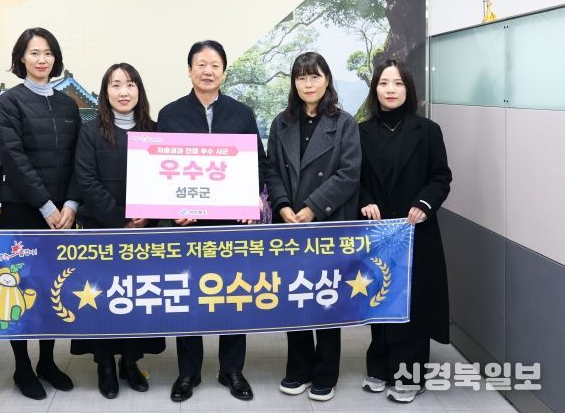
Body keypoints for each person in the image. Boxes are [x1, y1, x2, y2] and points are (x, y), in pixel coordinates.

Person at [157, 40, 267, 402]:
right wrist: (173, 206)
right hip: (187, 225)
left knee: (233, 293)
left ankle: (231, 370)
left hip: (231, 223)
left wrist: (250, 198)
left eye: (215, 65)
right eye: (201, 64)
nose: (208, 71)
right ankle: (188, 372)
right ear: (189, 70)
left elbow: (258, 163)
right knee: (189, 295)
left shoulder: (241, 113)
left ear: (224, 71)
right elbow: (159, 169)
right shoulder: (170, 114)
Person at [266, 52, 361, 402]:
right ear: (294, 83)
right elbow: (272, 169)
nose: (308, 84)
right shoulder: (281, 123)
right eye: (301, 77)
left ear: (327, 80)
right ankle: (298, 368)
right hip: (290, 224)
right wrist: (283, 205)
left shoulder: (344, 123)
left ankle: (325, 373)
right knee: (296, 297)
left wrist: (313, 208)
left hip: (328, 223)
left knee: (326, 297)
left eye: (315, 76)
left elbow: (349, 173)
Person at [0, 27, 81, 400]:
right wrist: (45, 206)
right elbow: (14, 158)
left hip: (63, 214)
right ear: (21, 59)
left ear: (55, 58)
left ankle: (47, 361)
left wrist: (71, 204)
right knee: (16, 287)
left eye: (47, 53)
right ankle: (22, 366)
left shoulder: (68, 105)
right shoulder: (9, 103)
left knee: (50, 287)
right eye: (34, 53)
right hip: (23, 210)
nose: (41, 59)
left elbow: (79, 160)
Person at [70, 62, 166, 399]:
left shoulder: (155, 130)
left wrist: (146, 215)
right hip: (101, 229)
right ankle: (105, 364)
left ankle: (131, 361)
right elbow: (86, 179)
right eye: (115, 85)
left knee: (136, 298)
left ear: (139, 90)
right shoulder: (90, 131)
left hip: (143, 232)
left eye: (130, 84)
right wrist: (120, 218)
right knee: (102, 298)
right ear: (105, 92)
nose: (123, 92)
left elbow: (165, 180)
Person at [358, 59, 452, 403]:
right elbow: (355, 179)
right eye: (384, 83)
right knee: (380, 298)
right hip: (379, 232)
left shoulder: (427, 130)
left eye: (398, 83)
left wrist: (424, 204)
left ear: (408, 89)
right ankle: (379, 367)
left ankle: (409, 376)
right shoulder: (360, 132)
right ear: (375, 89)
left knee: (413, 305)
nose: (391, 90)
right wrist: (365, 201)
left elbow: (441, 177)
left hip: (416, 231)